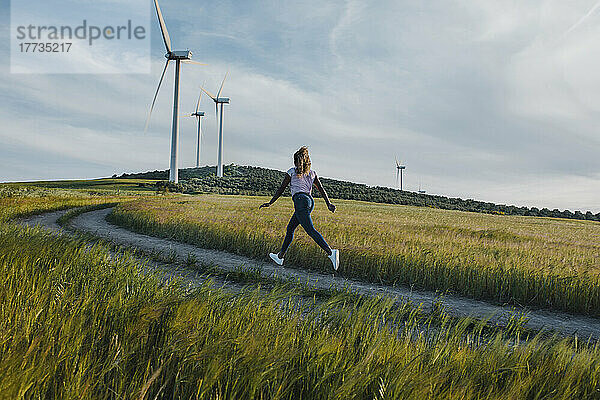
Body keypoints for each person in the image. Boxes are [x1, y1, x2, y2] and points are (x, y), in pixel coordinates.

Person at [259, 146, 340, 270]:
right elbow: (321, 189)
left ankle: (330, 252)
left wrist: (270, 202)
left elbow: (281, 189)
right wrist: (328, 204)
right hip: (309, 202)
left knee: (310, 230)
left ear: (295, 161)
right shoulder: (312, 173)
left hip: (300, 201)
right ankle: (280, 256)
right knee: (290, 228)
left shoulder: (291, 172)